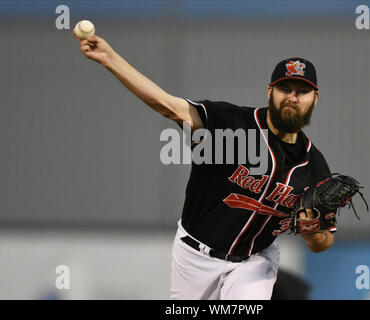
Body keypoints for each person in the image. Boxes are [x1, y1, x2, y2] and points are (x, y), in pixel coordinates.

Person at [73, 32, 336, 300]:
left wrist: (312, 232)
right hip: (194, 255)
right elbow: (169, 106)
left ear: (315, 97)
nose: (292, 97)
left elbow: (323, 241)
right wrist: (109, 58)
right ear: (270, 91)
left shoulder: (316, 169)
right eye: (285, 89)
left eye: (302, 91)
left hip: (254, 262)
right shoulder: (230, 124)